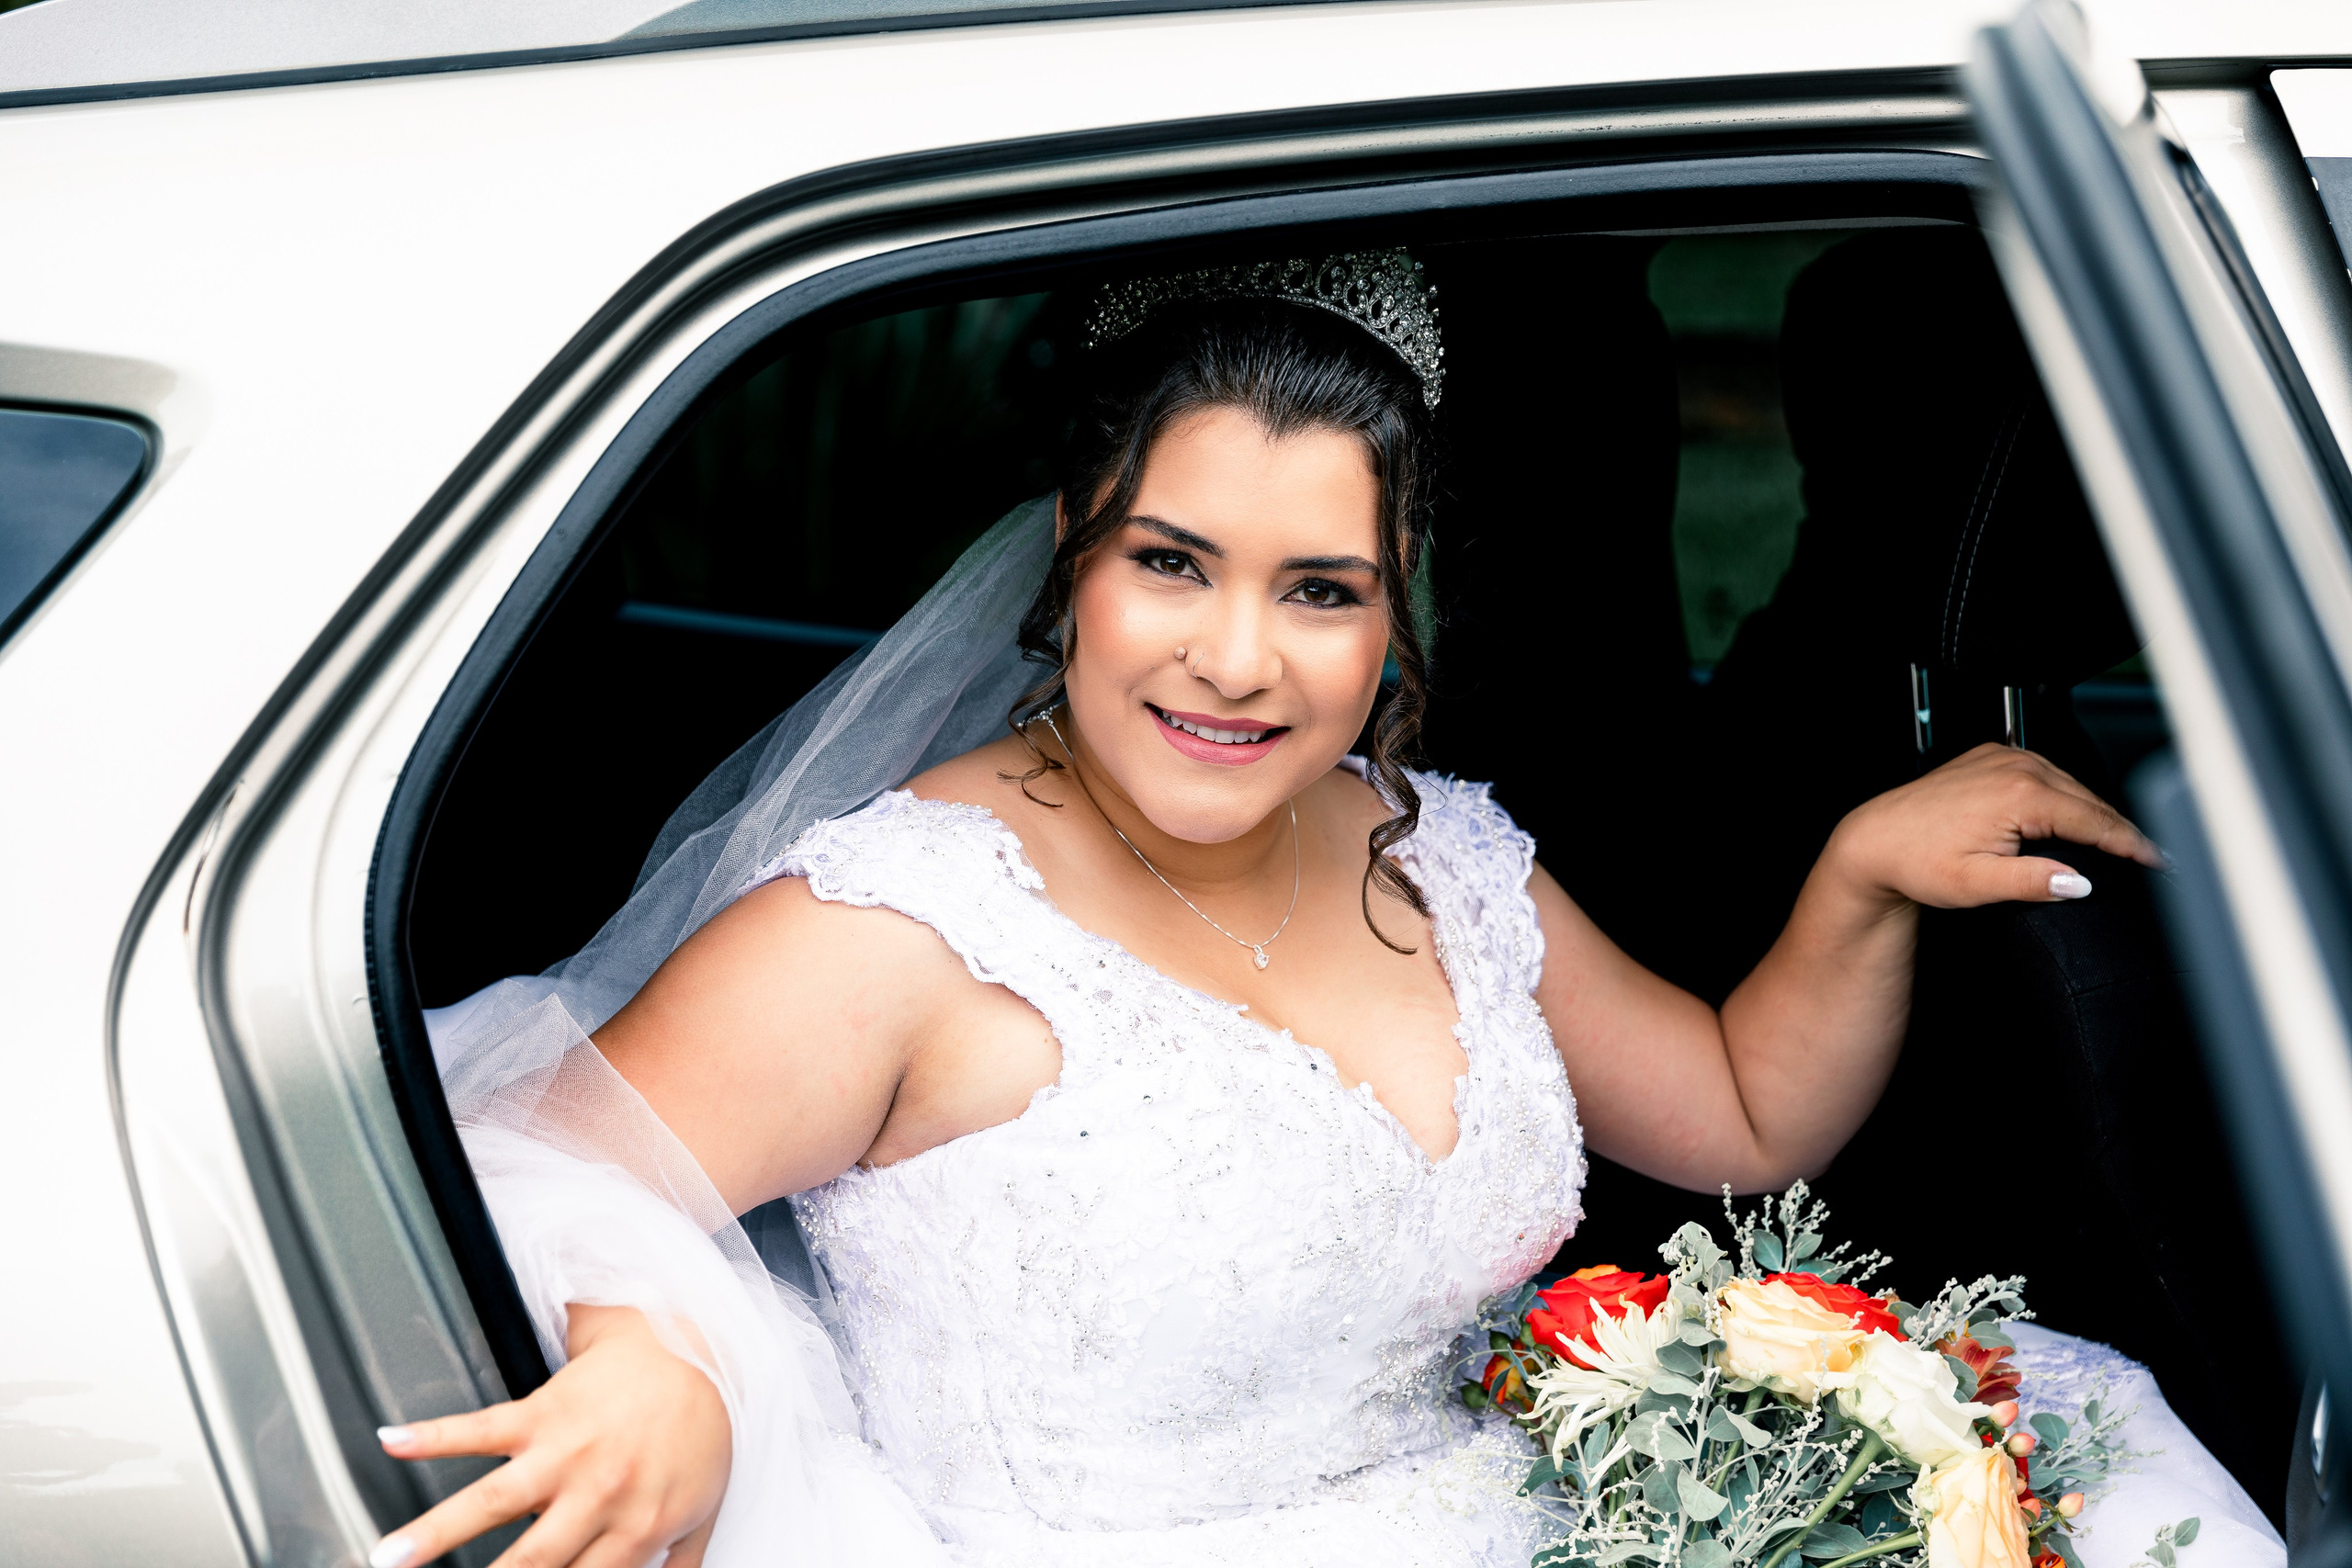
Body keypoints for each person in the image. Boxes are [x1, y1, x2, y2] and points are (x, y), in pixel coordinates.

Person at [376, 254, 2282, 1568]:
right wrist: (648, 1346)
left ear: (1398, 603)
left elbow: (1734, 1115)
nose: (1234, 659)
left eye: (1319, 588)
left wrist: (1859, 867)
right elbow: (510, 1161)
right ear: (1071, 552)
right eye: (1171, 563)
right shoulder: (890, 924)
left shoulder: (1428, 846)